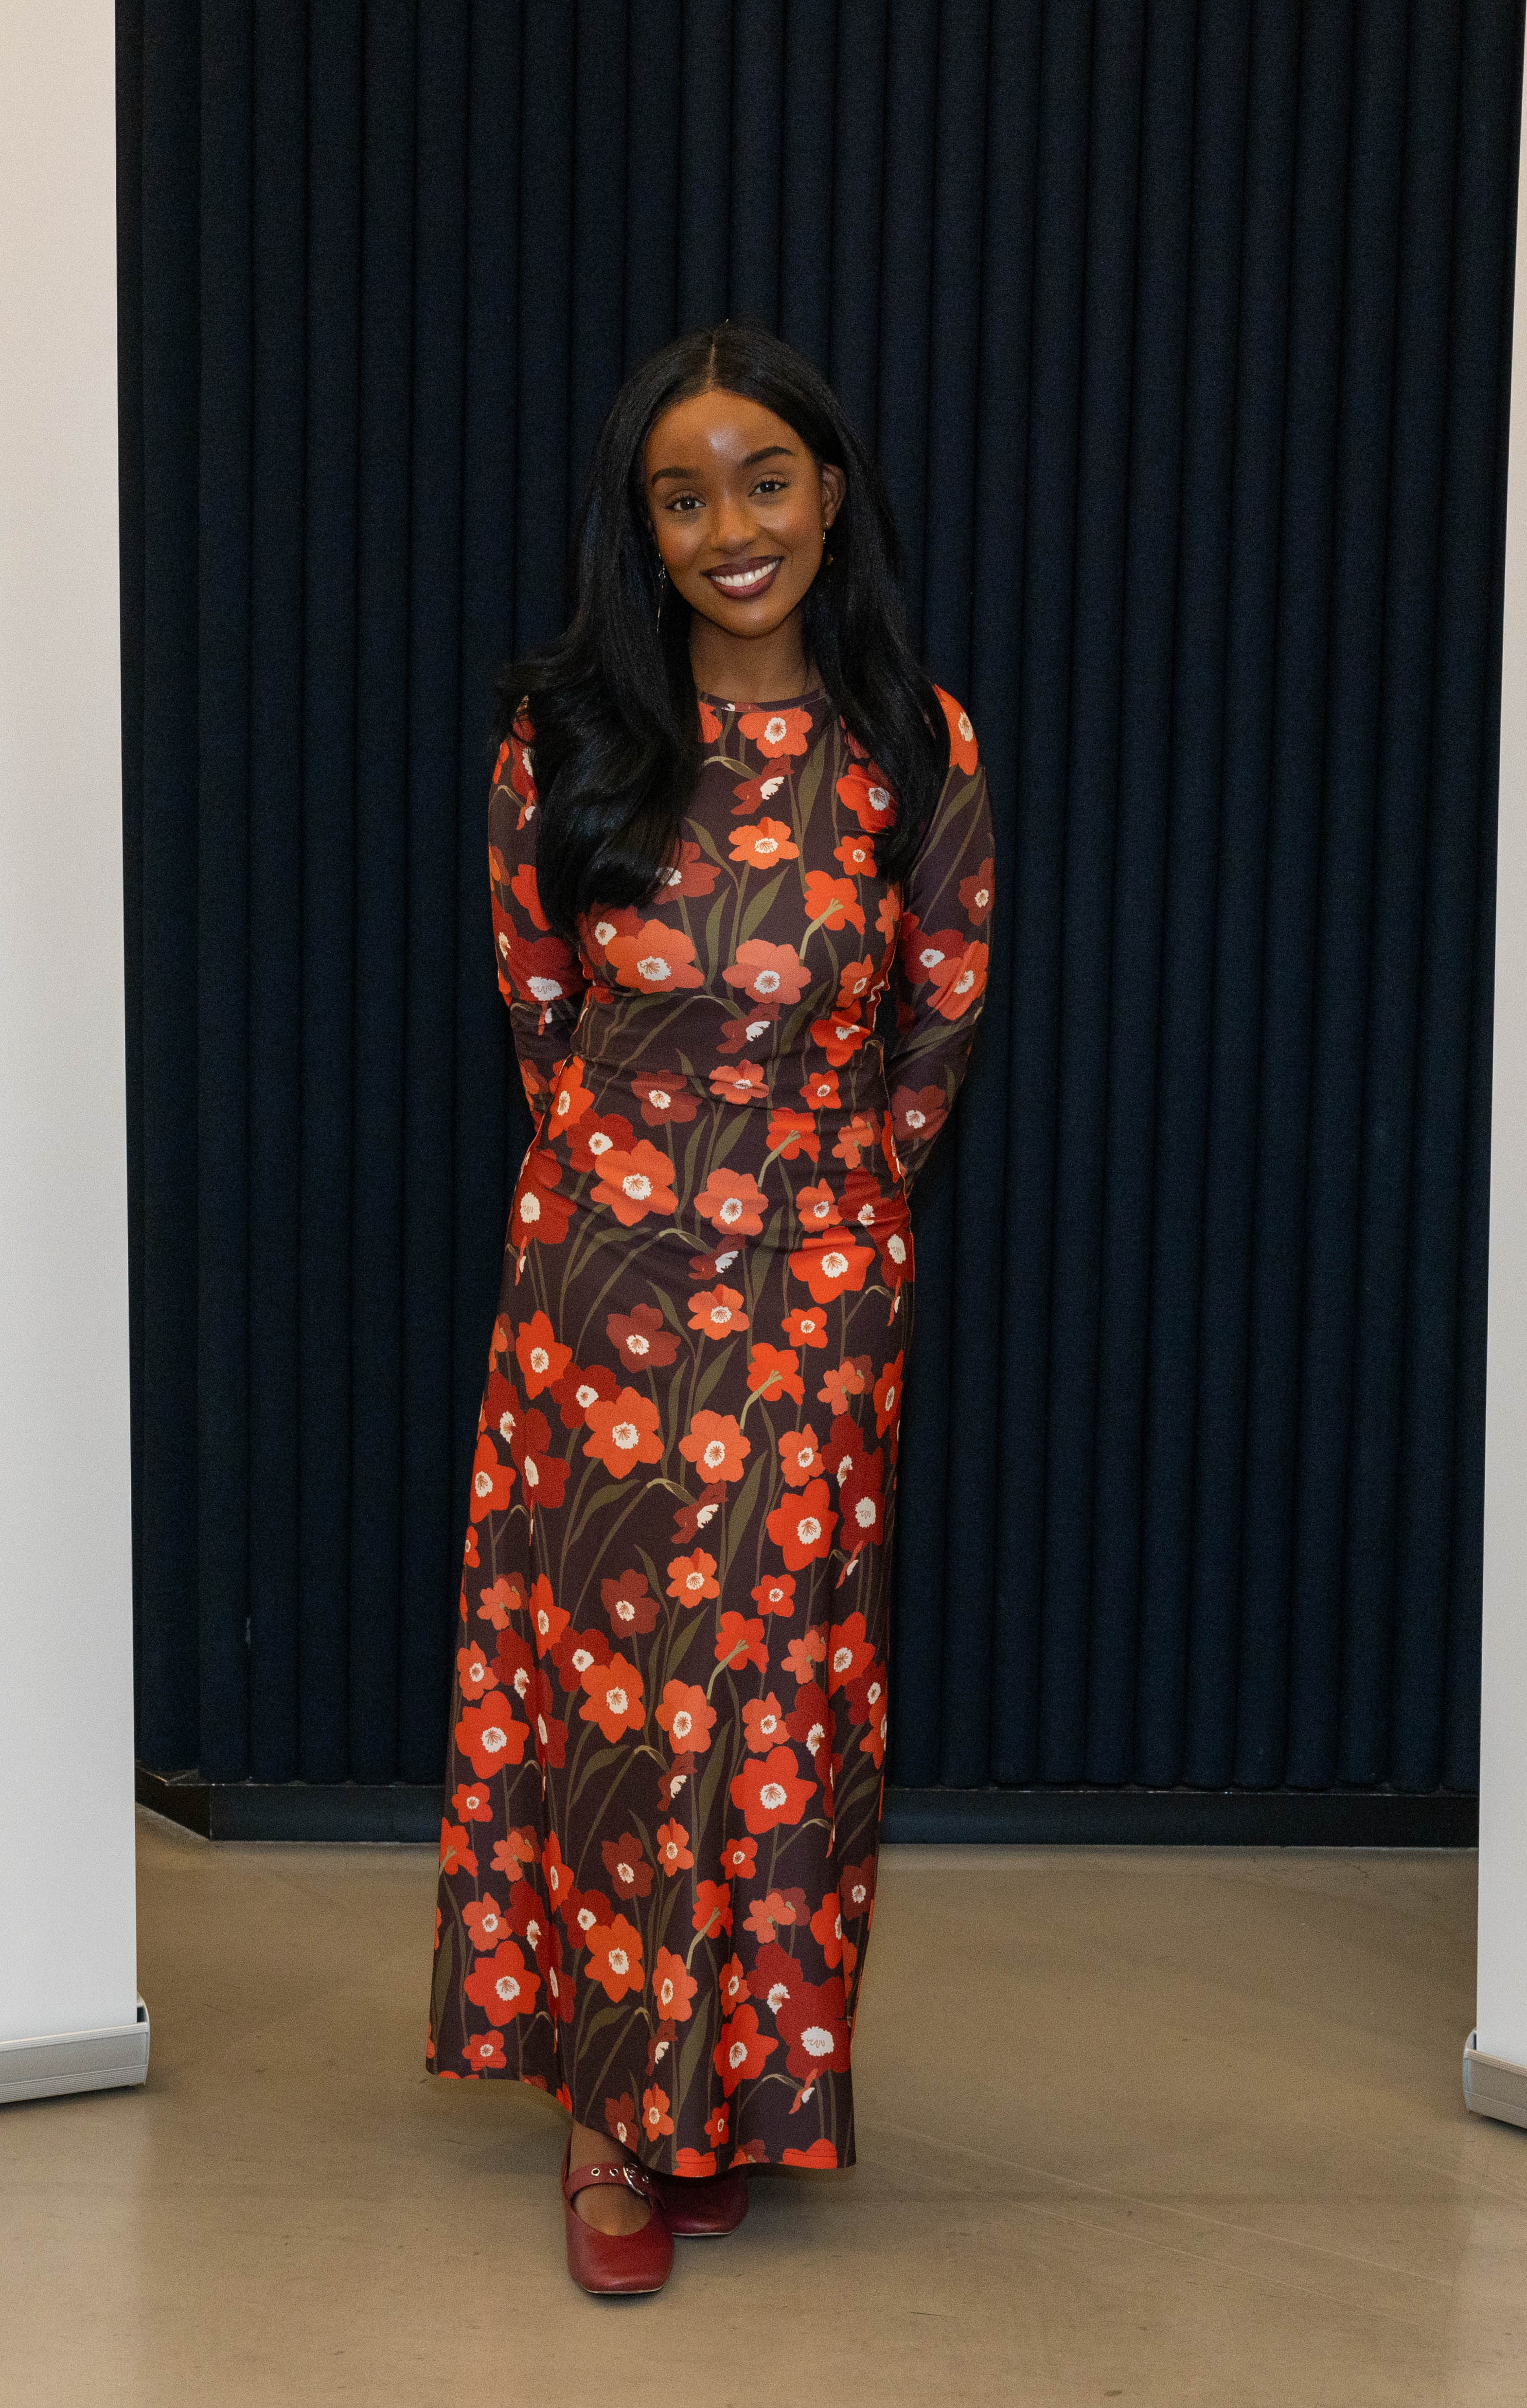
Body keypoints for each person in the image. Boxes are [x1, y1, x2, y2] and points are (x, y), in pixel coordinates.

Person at [425, 321, 995, 2296]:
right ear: (641, 527)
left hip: (817, 1309)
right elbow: (539, 1014)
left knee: (771, 1698)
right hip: (594, 1298)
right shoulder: (561, 744)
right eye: (685, 494)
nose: (731, 526)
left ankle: (725, 2084)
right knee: (600, 1696)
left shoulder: (919, 751)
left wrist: (811, 1240)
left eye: (766, 480)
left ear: (831, 495)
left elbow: (934, 1043)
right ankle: (605, 2109)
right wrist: (645, 1214)